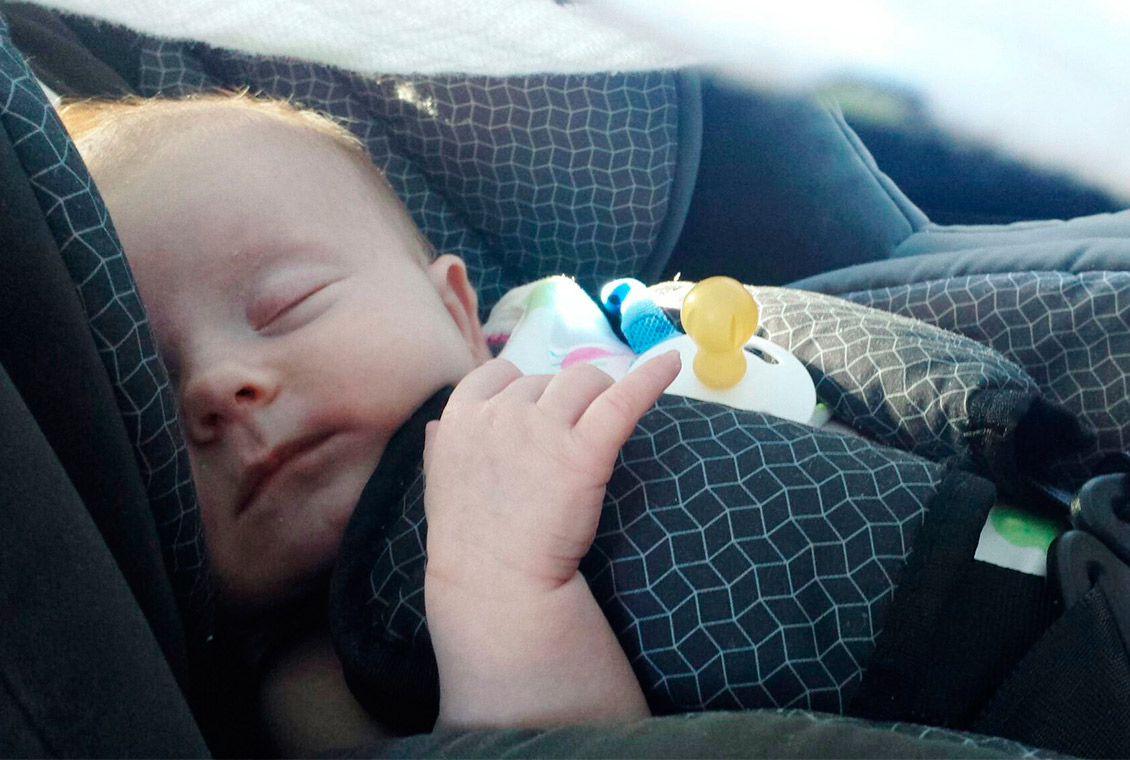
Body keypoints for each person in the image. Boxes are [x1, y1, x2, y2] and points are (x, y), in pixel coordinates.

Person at [59, 92, 683, 754]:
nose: (214, 385)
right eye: (151, 401)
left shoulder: (573, 321)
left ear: (458, 313)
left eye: (287, 304)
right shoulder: (315, 681)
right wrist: (501, 594)